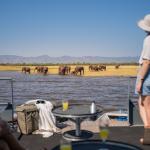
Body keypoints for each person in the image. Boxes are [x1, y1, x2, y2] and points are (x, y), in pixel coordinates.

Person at [135, 14, 150, 144]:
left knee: (144, 105)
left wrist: (140, 80)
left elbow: (146, 62)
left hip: (147, 76)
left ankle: (148, 137)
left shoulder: (148, 40)